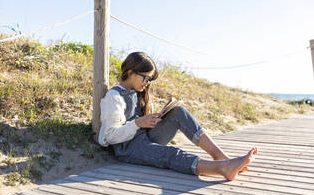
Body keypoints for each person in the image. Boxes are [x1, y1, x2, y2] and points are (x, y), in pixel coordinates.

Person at [98, 51, 257, 181]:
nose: (147, 83)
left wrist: (150, 120)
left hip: (143, 137)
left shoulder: (136, 92)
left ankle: (220, 156)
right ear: (131, 72)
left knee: (178, 112)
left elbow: (137, 123)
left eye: (150, 79)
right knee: (170, 153)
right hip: (128, 148)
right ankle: (222, 168)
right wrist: (138, 123)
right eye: (145, 77)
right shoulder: (114, 97)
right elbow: (110, 136)